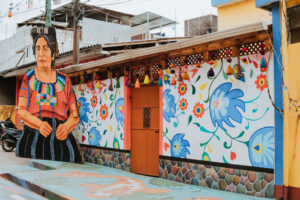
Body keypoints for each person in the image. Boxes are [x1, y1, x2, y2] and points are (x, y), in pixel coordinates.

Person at [16, 26, 83, 163]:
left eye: (45, 48)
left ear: (53, 53)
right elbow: (21, 110)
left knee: (62, 178)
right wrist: (39, 124)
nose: (41, 53)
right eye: (38, 48)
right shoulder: (28, 79)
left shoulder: (65, 81)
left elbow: (75, 115)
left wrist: (66, 127)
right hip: (33, 137)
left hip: (61, 140)